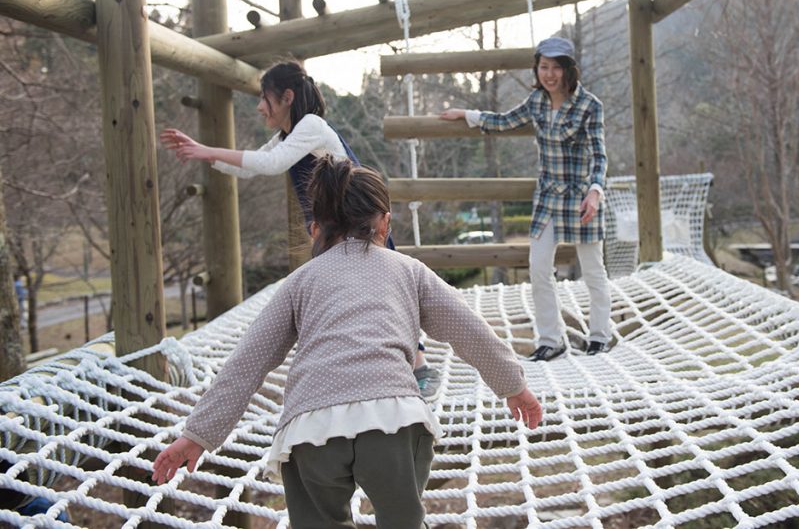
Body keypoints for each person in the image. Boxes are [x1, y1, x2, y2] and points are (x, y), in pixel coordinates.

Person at [151, 158, 543, 528]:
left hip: (311, 427)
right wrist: (513, 386)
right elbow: (468, 328)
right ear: (384, 223)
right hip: (393, 417)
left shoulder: (299, 282)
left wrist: (198, 434)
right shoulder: (409, 271)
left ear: (315, 228)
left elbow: (247, 362)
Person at [160, 61, 442, 398]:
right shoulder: (287, 135)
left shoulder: (311, 125)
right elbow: (251, 167)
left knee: (387, 287)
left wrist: (206, 149)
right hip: (334, 229)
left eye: (265, 98)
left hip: (361, 220)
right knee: (349, 294)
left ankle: (420, 365)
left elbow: (270, 163)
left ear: (287, 97)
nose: (260, 106)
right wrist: (203, 155)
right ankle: (378, 363)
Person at [439, 36, 613, 361]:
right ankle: (551, 339)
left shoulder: (591, 105)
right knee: (539, 267)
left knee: (593, 270)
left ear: (568, 71)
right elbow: (505, 121)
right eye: (543, 67)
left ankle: (600, 336)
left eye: (556, 68)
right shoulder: (537, 101)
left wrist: (595, 191)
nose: (549, 74)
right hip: (548, 198)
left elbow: (599, 156)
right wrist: (468, 114)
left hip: (581, 199)